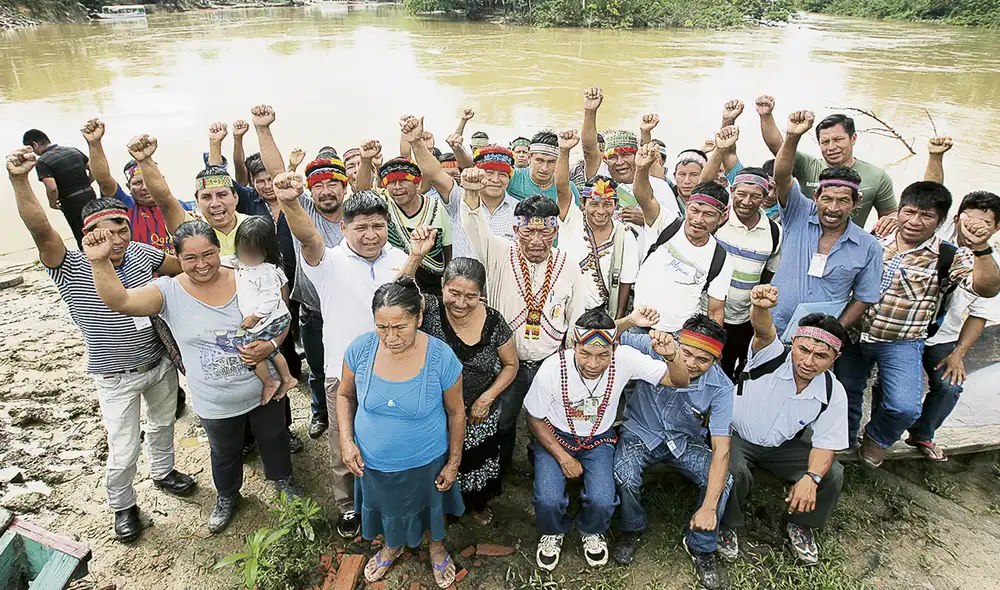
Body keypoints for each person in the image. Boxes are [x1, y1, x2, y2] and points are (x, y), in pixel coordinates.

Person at [7, 147, 195, 542]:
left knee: (163, 424)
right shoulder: (69, 265)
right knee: (124, 446)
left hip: (158, 364)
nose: (115, 239)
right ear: (86, 233)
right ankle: (123, 505)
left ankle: (163, 472)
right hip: (114, 376)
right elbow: (42, 230)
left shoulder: (143, 253)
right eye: (103, 232)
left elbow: (186, 258)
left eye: (122, 229)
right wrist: (21, 180)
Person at [87, 219, 299, 534]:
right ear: (177, 258)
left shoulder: (247, 273)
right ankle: (228, 496)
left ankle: (284, 483)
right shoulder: (167, 291)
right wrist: (100, 261)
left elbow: (280, 317)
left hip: (262, 390)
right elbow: (120, 302)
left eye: (209, 254)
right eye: (190, 258)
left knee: (274, 438)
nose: (202, 265)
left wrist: (271, 343)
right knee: (224, 452)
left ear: (219, 250)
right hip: (213, 400)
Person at [274, 171, 433, 539]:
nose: (370, 234)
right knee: (342, 442)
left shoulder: (398, 257)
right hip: (342, 372)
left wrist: (414, 258)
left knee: (389, 438)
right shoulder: (327, 262)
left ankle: (388, 499)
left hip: (394, 371)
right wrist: (291, 201)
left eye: (378, 225)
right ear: (343, 228)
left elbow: (401, 297)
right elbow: (307, 237)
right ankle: (348, 506)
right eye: (361, 227)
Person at [840, 180, 1000, 467]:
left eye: (926, 216)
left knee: (905, 406)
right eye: (909, 212)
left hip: (902, 341)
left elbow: (985, 288)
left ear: (939, 222)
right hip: (855, 335)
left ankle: (877, 437)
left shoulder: (951, 256)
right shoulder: (873, 241)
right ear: (898, 211)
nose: (914, 221)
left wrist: (981, 248)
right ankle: (846, 437)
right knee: (846, 390)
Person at [525, 308, 689, 572]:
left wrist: (671, 355)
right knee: (548, 499)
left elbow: (679, 380)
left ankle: (592, 529)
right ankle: (553, 531)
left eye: (603, 355)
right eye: (585, 353)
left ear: (614, 347)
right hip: (555, 436)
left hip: (598, 439)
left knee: (603, 500)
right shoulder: (553, 367)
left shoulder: (625, 358)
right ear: (574, 345)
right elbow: (534, 418)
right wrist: (562, 457)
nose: (593, 363)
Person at [338, 277, 466, 589]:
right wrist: (346, 440)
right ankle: (391, 546)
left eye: (400, 327)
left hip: (426, 462)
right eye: (382, 327)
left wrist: (453, 463)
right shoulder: (359, 350)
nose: (391, 337)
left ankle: (436, 548)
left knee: (431, 507)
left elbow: (456, 412)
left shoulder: (441, 356)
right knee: (387, 507)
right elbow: (344, 395)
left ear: (419, 318)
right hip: (372, 462)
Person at [459, 181, 588, 477]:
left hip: (549, 362)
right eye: (528, 231)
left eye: (544, 231)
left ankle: (542, 469)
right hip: (506, 363)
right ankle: (498, 473)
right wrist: (470, 192)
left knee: (548, 420)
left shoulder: (568, 264)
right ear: (516, 230)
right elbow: (474, 224)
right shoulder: (500, 253)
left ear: (555, 231)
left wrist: (570, 365)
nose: (536, 240)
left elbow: (576, 318)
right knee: (502, 421)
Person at [721, 285, 849, 567]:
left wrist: (811, 479)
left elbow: (826, 443)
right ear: (794, 342)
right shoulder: (772, 354)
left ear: (834, 358)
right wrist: (761, 307)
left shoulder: (833, 391)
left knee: (831, 474)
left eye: (820, 356)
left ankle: (800, 524)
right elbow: (763, 330)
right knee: (733, 471)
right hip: (736, 435)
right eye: (803, 349)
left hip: (780, 446)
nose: (808, 361)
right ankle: (727, 525)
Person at [612, 315, 733, 589]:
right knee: (624, 474)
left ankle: (701, 545)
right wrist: (630, 320)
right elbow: (608, 335)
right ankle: (632, 528)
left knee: (723, 480)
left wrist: (709, 507)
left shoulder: (722, 387)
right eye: (686, 353)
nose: (691, 364)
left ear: (716, 361)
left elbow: (721, 448)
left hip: (684, 440)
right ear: (677, 342)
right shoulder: (653, 346)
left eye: (703, 360)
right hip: (640, 432)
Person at [253, 105, 344, 440]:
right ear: (310, 190)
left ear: (345, 188)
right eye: (318, 184)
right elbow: (280, 177)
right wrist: (263, 129)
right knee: (318, 371)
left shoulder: (356, 213)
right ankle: (320, 412)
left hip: (351, 307)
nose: (326, 191)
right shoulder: (300, 209)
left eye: (333, 182)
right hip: (314, 311)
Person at [419, 258, 518, 525]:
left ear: (481, 295)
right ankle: (440, 507)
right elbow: (393, 296)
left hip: (477, 411)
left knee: (476, 459)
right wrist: (416, 255)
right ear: (442, 286)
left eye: (471, 296)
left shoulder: (494, 321)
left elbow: (511, 365)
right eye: (454, 293)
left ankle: (474, 504)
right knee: (437, 460)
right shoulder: (428, 309)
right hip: (434, 409)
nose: (461, 303)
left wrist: (487, 398)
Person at [768, 110, 883, 338]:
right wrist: (792, 136)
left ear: (856, 202)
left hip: (818, 339)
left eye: (843, 201)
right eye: (827, 199)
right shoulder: (798, 213)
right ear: (815, 197)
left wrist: (833, 332)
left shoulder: (868, 246)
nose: (833, 208)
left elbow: (864, 297)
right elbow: (781, 175)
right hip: (773, 326)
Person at [701, 127, 783, 379]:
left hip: (744, 320)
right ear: (732, 191)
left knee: (732, 370)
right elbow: (701, 188)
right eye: (742, 194)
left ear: (765, 196)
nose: (747, 201)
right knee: (701, 364)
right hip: (705, 311)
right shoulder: (718, 219)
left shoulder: (774, 232)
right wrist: (721, 149)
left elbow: (768, 276)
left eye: (755, 196)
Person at [632, 146, 734, 332]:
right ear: (687, 207)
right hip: (638, 325)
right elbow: (644, 197)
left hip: (680, 336)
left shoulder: (721, 259)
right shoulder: (666, 223)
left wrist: (711, 348)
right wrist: (641, 169)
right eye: (694, 210)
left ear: (722, 218)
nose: (698, 220)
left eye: (708, 214)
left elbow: (715, 311)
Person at [756, 95, 896, 229]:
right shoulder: (807, 166)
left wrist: (892, 221)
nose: (831, 147)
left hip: (848, 246)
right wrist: (766, 116)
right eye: (825, 142)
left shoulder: (877, 177)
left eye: (838, 140)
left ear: (853, 138)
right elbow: (779, 148)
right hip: (805, 241)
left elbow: (890, 215)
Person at [554, 129, 639, 318]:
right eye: (593, 204)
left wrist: (617, 321)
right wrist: (564, 151)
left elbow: (624, 283)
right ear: (582, 203)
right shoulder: (571, 219)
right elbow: (561, 187)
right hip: (560, 308)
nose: (600, 211)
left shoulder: (625, 235)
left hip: (599, 315)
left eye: (607, 204)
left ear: (616, 205)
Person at [127, 134, 248, 256]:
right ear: (197, 203)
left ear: (235, 197)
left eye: (222, 195)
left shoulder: (254, 225)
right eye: (206, 197)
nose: (215, 203)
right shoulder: (190, 227)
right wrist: (145, 161)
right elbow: (165, 202)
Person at [377, 128, 453, 296]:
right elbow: (361, 191)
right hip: (394, 288)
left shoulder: (437, 207)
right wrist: (366, 160)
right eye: (391, 182)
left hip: (432, 288)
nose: (397, 188)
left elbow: (448, 249)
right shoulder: (383, 206)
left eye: (403, 181)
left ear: (417, 183)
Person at [232, 217, 298, 403]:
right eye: (242, 252)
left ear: (266, 251)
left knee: (250, 350)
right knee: (270, 351)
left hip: (272, 318)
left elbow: (272, 298)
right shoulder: (243, 261)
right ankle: (287, 378)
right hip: (266, 319)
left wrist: (254, 317)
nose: (246, 258)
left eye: (252, 254)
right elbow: (230, 261)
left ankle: (270, 382)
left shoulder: (266, 271)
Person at [23, 128, 96, 249]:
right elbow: (94, 169)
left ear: (35, 145)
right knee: (97, 225)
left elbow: (52, 188)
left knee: (82, 234)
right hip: (90, 195)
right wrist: (87, 184)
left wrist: (52, 203)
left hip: (71, 203)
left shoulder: (43, 162)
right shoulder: (73, 150)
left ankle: (88, 261)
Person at [506, 129, 582, 204]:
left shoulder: (568, 188)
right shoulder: (512, 177)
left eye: (551, 162)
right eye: (539, 160)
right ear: (529, 157)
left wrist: (564, 150)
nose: (544, 168)